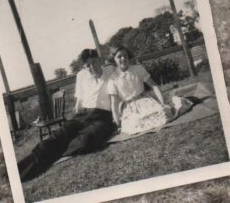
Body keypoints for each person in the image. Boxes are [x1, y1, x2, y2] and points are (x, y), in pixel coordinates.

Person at [18, 49, 116, 181]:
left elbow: (127, 64)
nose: (91, 68)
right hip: (84, 114)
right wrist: (75, 119)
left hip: (103, 116)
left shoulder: (111, 71)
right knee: (58, 136)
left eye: (93, 62)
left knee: (85, 142)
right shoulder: (81, 75)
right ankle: (19, 171)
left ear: (100, 60)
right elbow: (79, 100)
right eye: (87, 65)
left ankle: (55, 153)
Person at [107, 45, 173, 135]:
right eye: (119, 57)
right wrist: (118, 122)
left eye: (125, 56)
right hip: (129, 107)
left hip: (145, 101)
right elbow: (114, 103)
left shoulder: (138, 69)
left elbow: (154, 86)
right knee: (134, 123)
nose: (123, 59)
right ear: (113, 59)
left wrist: (162, 103)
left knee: (163, 114)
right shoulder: (113, 79)